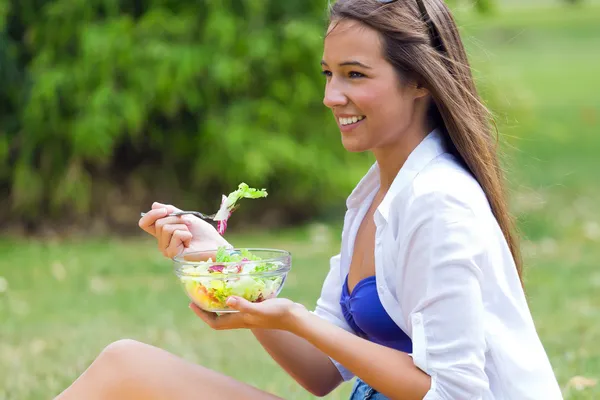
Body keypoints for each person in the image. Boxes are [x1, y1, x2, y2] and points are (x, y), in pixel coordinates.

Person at [55, 0, 563, 399]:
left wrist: (294, 316)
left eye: (355, 74)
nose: (331, 96)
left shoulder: (439, 202)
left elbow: (452, 394)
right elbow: (321, 372)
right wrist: (221, 263)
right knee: (127, 366)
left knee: (128, 368)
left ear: (420, 83)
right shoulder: (372, 197)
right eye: (329, 73)